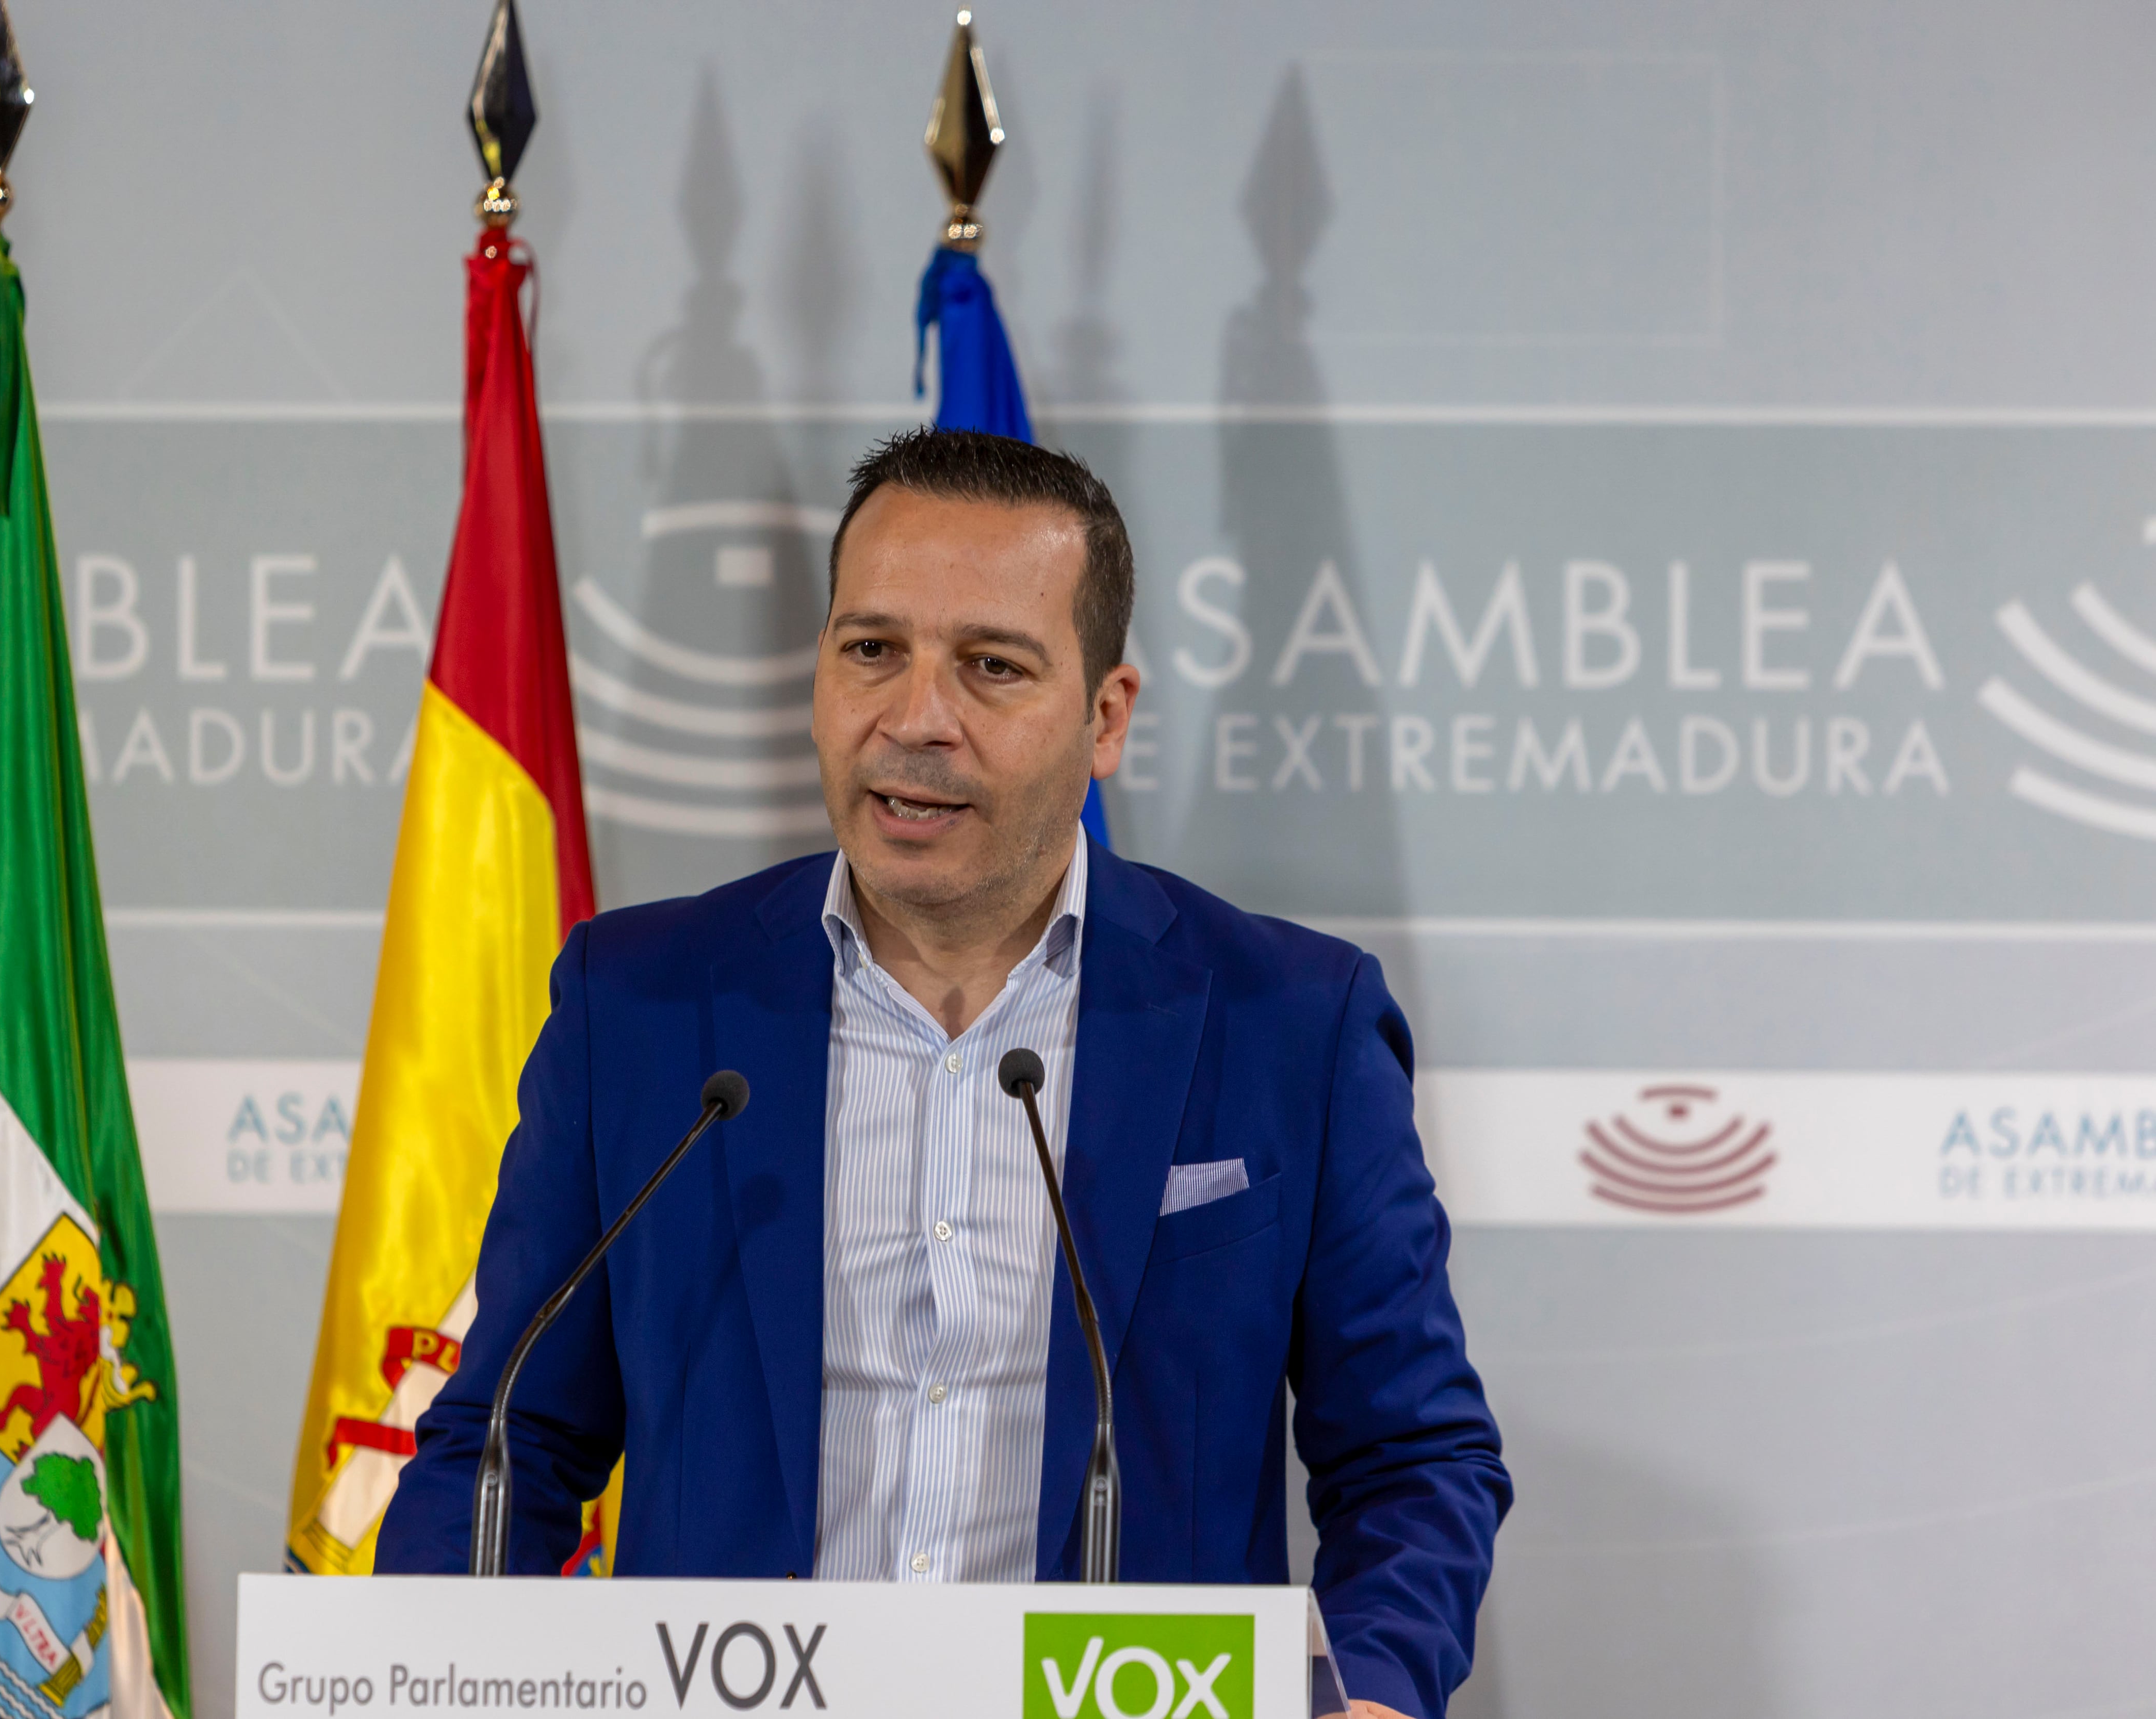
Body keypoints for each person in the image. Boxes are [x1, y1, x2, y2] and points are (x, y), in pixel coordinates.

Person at [379, 428, 1510, 1719]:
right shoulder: (638, 1006)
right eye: (872, 650)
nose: (917, 719)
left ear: (1104, 718)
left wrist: (1371, 1687)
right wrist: (430, 1672)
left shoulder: (1288, 1022)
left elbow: (1411, 1456)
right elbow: (509, 1438)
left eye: (991, 666)